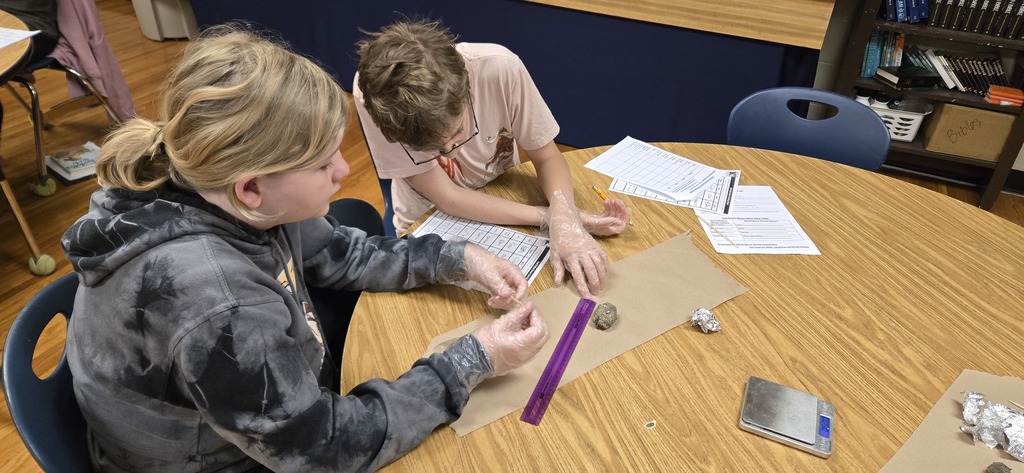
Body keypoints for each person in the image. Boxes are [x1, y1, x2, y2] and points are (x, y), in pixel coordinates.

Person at [62, 25, 549, 472]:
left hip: (259, 417)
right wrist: (471, 361)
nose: (343, 171)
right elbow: (322, 448)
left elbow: (340, 253)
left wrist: (460, 258)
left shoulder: (217, 185)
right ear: (251, 188)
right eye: (322, 165)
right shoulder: (216, 300)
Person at [353, 19, 631, 299]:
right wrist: (554, 217)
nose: (453, 152)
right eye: (436, 149)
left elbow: (548, 158)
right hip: (426, 217)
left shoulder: (500, 68)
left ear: (466, 89)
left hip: (501, 190)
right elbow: (448, 197)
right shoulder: (375, 97)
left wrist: (564, 213)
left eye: (458, 134)